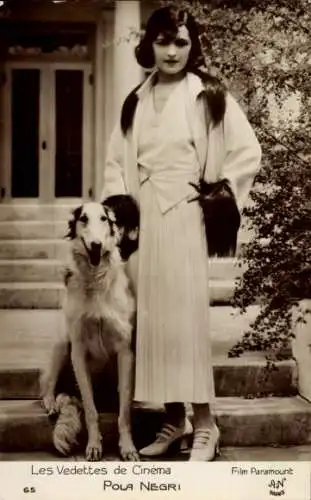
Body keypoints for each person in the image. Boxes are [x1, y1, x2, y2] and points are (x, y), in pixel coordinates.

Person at [101, 6, 261, 461]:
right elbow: (116, 162)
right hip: (147, 217)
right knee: (153, 321)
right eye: (163, 41)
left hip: (187, 213)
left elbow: (248, 151)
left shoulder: (209, 96)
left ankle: (206, 423)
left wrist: (219, 192)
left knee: (186, 320)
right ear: (149, 44)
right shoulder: (135, 99)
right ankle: (175, 420)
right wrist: (122, 206)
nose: (171, 51)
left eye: (181, 42)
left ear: (193, 47)